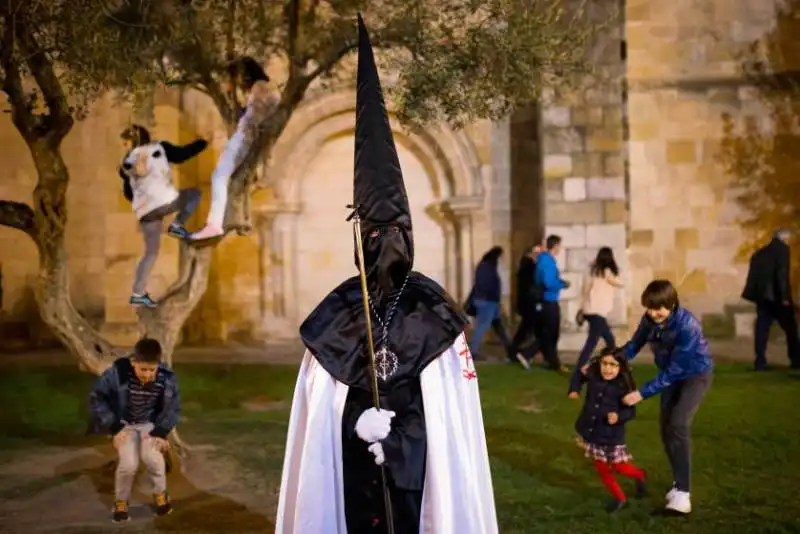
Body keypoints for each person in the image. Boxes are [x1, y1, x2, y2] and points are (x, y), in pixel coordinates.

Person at [275, 15, 498, 533]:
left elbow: (448, 413)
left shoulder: (433, 311)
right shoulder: (338, 312)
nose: (385, 245)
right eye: (373, 235)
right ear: (359, 240)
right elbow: (319, 412)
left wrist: (398, 439)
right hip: (353, 474)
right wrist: (356, 422)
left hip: (417, 479)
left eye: (394, 231)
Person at [617, 280, 714, 515]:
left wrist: (641, 394)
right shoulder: (650, 319)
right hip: (671, 375)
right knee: (665, 429)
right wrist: (613, 358)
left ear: (672, 304)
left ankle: (683, 494)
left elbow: (675, 371)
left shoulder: (687, 326)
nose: (653, 313)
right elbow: (635, 343)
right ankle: (678, 484)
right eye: (649, 308)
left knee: (678, 423)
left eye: (658, 308)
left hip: (694, 375)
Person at [88, 338, 181, 523]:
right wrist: (114, 427)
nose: (147, 374)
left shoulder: (167, 378)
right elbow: (97, 397)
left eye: (151, 370)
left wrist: (162, 432)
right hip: (125, 425)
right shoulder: (118, 373)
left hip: (150, 425)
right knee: (128, 464)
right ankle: (121, 502)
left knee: (152, 458)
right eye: (143, 369)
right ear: (134, 362)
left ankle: (161, 494)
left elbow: (172, 407)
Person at [190, 56, 280, 241]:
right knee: (240, 179)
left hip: (246, 137)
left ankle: (217, 223)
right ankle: (242, 220)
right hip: (251, 138)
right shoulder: (267, 89)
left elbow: (253, 119)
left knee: (220, 176)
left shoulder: (259, 89)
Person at [118, 125, 207, 307]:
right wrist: (203, 142)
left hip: (146, 213)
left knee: (150, 253)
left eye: (126, 142)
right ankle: (177, 224)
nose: (125, 147)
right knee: (194, 195)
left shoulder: (126, 164)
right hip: (164, 203)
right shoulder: (160, 148)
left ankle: (138, 293)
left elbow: (128, 194)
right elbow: (183, 154)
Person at [575, 347, 647, 513]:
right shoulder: (594, 379)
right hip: (594, 434)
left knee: (619, 468)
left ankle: (640, 475)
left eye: (613, 365)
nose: (608, 369)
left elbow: (631, 411)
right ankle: (620, 498)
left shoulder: (623, 387)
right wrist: (579, 378)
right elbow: (578, 378)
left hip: (612, 437)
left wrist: (618, 417)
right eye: (604, 364)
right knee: (602, 469)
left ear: (621, 367)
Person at [741, 229, 800, 370]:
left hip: (763, 298)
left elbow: (754, 277)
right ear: (783, 237)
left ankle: (760, 362)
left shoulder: (760, 253)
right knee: (790, 328)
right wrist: (785, 297)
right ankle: (796, 360)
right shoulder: (782, 250)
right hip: (777, 298)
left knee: (762, 329)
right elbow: (781, 273)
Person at [568, 247, 624, 395]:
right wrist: (615, 271)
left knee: (610, 342)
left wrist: (581, 309)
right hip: (598, 313)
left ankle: (616, 370)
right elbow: (620, 282)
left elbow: (584, 291)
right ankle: (575, 385)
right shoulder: (606, 272)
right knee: (590, 348)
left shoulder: (592, 272)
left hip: (590, 312)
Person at [467, 246, 513, 359]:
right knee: (482, 326)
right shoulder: (486, 266)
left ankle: (511, 349)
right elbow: (484, 285)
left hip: (490, 301)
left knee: (499, 326)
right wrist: (494, 296)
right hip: (486, 301)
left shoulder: (489, 266)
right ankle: (473, 351)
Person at [534, 234, 570, 372]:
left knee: (549, 333)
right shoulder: (547, 261)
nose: (560, 248)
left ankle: (551, 361)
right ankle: (552, 362)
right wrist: (562, 284)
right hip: (549, 300)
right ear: (555, 246)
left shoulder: (545, 260)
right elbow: (548, 282)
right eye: (559, 246)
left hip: (548, 299)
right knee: (551, 333)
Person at [507, 241, 545, 369]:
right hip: (530, 302)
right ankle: (520, 352)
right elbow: (531, 286)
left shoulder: (527, 265)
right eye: (538, 252)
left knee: (527, 329)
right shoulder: (529, 266)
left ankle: (518, 352)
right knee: (528, 329)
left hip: (528, 302)